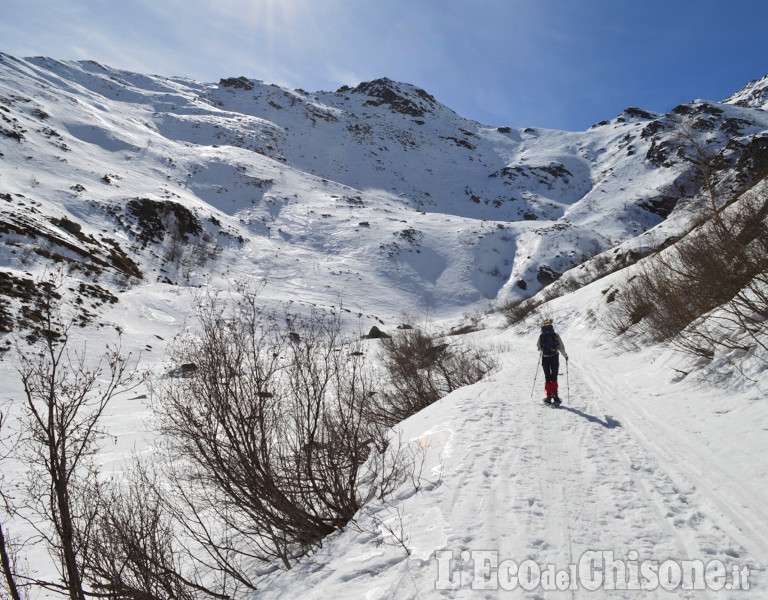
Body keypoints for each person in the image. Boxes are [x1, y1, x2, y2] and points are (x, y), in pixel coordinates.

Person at [537, 320, 568, 405]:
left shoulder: (541, 336)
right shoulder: (555, 336)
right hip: (555, 357)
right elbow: (561, 347)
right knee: (554, 376)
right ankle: (555, 395)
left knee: (547, 377)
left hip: (545, 358)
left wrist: (544, 348)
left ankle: (548, 397)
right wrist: (565, 356)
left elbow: (539, 348)